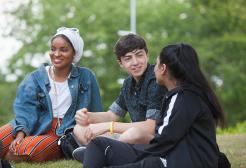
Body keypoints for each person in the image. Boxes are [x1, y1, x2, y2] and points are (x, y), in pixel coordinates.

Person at [80, 43, 225, 168]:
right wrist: (90, 117)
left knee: (114, 147)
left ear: (163, 69)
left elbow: (162, 141)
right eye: (128, 58)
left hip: (171, 162)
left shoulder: (182, 97)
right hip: (168, 156)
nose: (153, 68)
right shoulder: (185, 95)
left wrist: (131, 162)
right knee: (99, 144)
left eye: (156, 64)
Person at [0, 27, 103, 162]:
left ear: (74, 53)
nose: (56, 54)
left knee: (25, 150)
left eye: (63, 49)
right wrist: (20, 134)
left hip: (60, 131)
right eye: (53, 49)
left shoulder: (86, 76)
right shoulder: (36, 77)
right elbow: (25, 109)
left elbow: (96, 111)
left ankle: (8, 158)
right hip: (29, 123)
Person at [73, 34, 166, 148]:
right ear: (121, 63)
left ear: (147, 55)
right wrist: (88, 116)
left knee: (131, 135)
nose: (135, 62)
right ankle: (101, 150)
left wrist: (108, 126)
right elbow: (112, 115)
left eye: (139, 55)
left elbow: (151, 127)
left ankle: (101, 151)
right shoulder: (128, 83)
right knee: (79, 129)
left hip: (155, 139)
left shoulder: (155, 79)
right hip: (132, 140)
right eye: (128, 58)